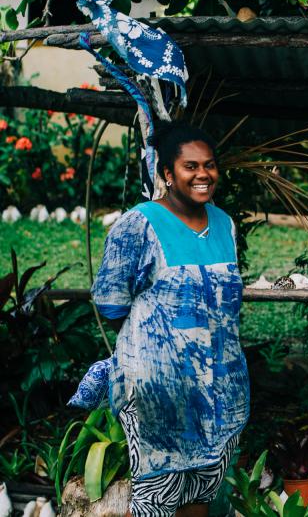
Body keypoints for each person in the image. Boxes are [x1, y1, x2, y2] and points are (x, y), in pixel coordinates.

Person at [90, 122, 249, 517]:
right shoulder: (139, 224)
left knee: (200, 494)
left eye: (209, 166)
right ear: (166, 174)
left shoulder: (225, 224)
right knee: (156, 500)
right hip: (159, 392)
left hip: (221, 391)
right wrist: (151, 352)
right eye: (190, 166)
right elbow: (111, 302)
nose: (202, 175)